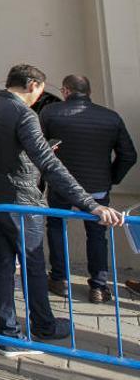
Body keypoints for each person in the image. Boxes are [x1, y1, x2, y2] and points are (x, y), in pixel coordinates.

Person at [0, 64, 124, 357]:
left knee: (2, 266)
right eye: (40, 91)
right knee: (32, 266)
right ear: (32, 85)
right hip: (20, 199)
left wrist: (30, 156)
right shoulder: (23, 114)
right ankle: (43, 325)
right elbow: (49, 165)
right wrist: (90, 204)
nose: (38, 97)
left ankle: (8, 333)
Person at [40, 75, 137, 303]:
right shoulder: (110, 117)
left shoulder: (51, 113)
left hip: (62, 186)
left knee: (56, 228)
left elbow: (40, 150)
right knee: (97, 234)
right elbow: (128, 154)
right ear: (88, 91)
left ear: (65, 91)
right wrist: (111, 178)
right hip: (97, 186)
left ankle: (60, 278)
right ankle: (99, 286)